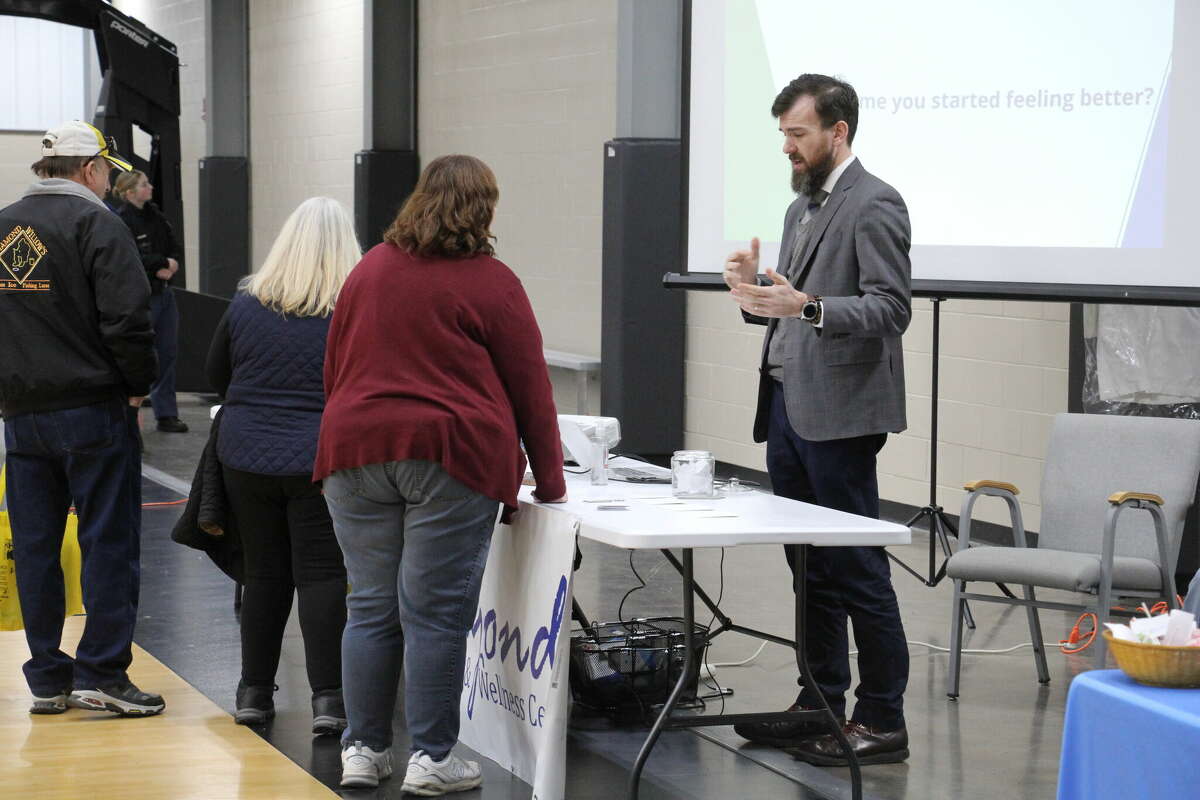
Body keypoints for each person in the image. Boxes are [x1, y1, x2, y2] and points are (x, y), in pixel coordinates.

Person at [315, 155, 566, 792]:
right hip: (449, 454)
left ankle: (363, 751)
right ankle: (431, 759)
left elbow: (335, 364)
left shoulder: (370, 267)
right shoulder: (492, 282)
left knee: (369, 608)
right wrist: (551, 480)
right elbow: (530, 388)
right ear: (484, 209)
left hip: (354, 448)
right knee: (432, 615)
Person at [723, 74, 912, 765]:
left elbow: (891, 309)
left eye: (798, 135)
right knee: (810, 568)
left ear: (838, 132)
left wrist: (805, 306)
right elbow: (791, 307)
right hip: (787, 409)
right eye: (782, 136)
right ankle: (820, 700)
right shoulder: (802, 208)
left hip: (840, 414)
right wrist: (752, 291)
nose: (788, 149)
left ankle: (883, 718)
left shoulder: (876, 203)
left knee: (856, 565)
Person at [0, 120, 162, 716]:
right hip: (92, 409)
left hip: (21, 418)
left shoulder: (2, 225)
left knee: (37, 544)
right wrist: (139, 388)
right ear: (92, 169)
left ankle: (47, 675)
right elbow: (128, 319)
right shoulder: (99, 223)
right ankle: (102, 672)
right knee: (107, 541)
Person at [204, 197, 358, 734]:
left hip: (246, 454)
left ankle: (253, 691)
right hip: (320, 455)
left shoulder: (247, 302)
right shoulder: (352, 308)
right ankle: (329, 701)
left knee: (263, 572)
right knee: (322, 576)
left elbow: (215, 372)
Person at [112, 170, 188, 433]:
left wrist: (171, 264)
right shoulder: (121, 220)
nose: (151, 187)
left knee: (167, 353)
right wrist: (159, 265)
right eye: (145, 185)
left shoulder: (156, 215)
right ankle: (127, 415)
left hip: (165, 292)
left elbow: (173, 246)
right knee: (138, 353)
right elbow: (129, 256)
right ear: (130, 192)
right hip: (141, 297)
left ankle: (166, 413)